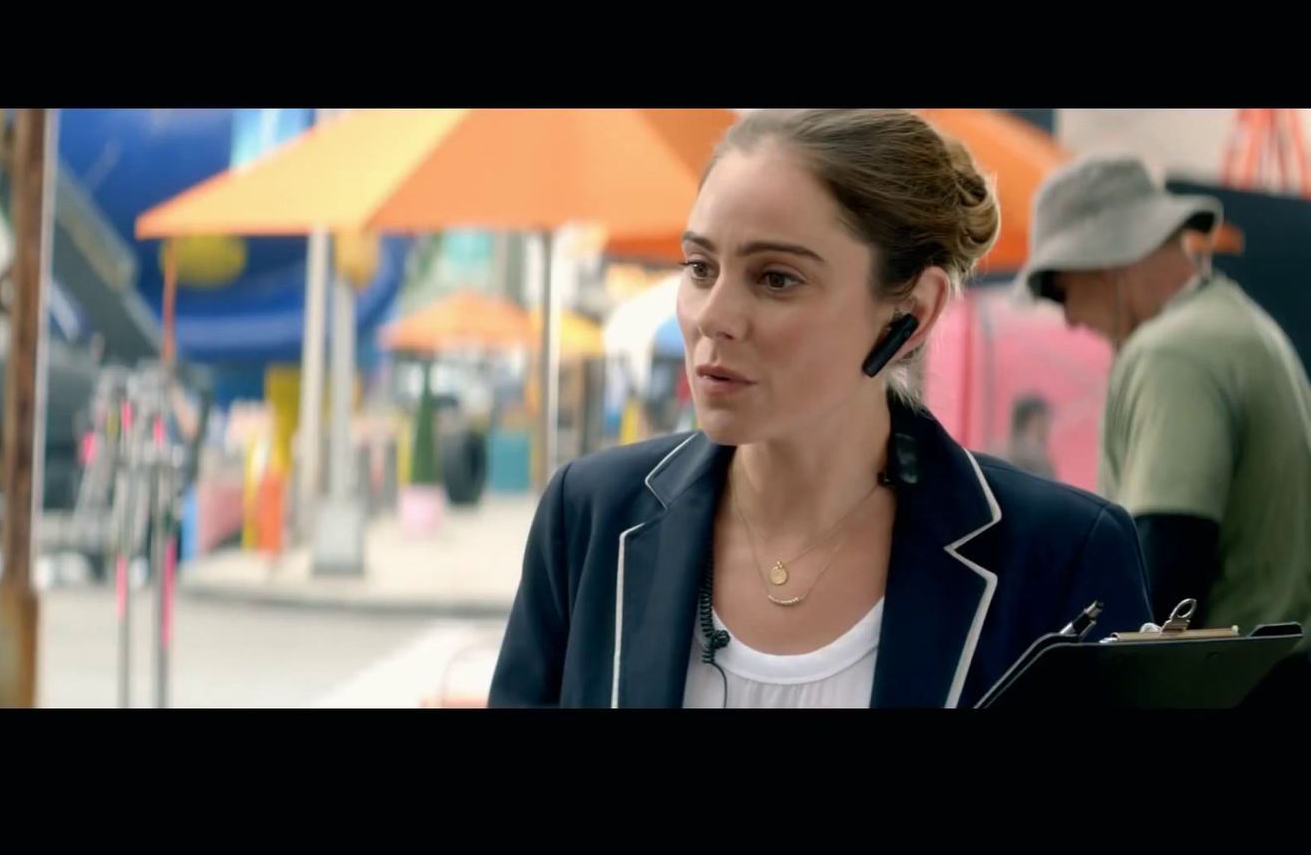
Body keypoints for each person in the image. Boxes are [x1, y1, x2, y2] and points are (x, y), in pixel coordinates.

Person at [489, 109, 1153, 709]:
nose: (714, 317)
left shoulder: (1062, 558)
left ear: (911, 315)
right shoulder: (590, 518)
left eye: (777, 278)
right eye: (699, 267)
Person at [1017, 153, 1311, 705]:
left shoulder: (1173, 352)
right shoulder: (1241, 325)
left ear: (1104, 261)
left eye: (1058, 289)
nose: (1069, 318)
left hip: (1229, 690)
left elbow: (1164, 569)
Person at [1004, 394, 1056, 480]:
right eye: (1045, 419)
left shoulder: (997, 453)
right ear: (1034, 420)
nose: (1048, 426)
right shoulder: (1037, 460)